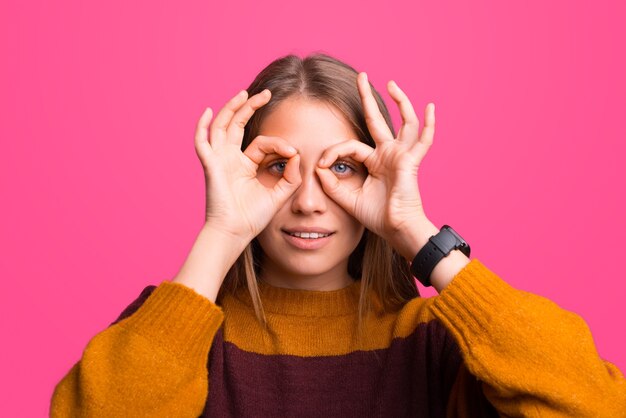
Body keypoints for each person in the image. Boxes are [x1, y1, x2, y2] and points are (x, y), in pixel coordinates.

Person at [50, 53, 626, 417]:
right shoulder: (174, 328)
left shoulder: (435, 342)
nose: (305, 201)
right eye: (277, 166)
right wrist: (219, 233)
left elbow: (595, 404)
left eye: (341, 168)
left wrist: (416, 234)